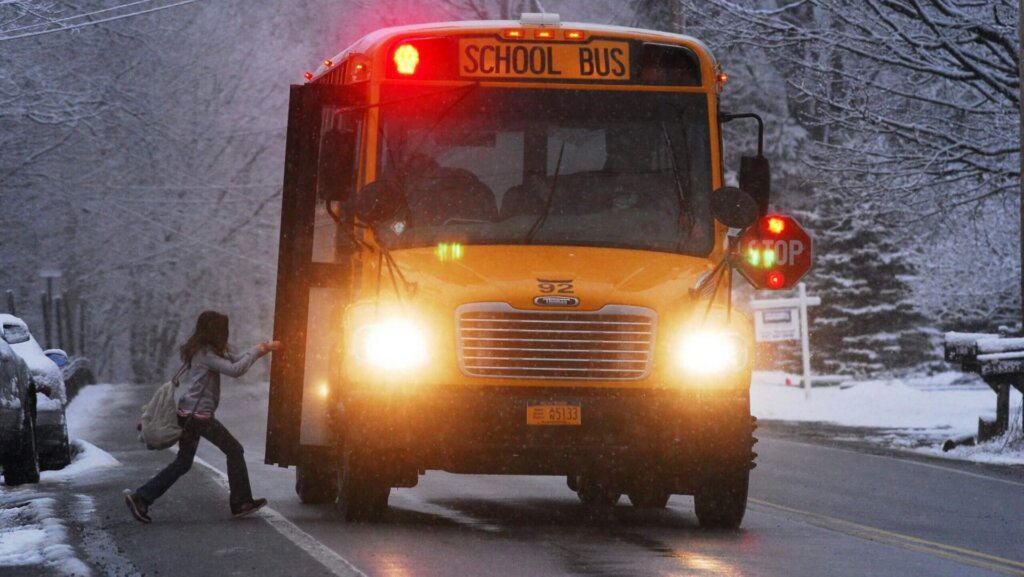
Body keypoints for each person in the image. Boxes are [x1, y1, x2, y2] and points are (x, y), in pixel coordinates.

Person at [124, 311, 282, 523]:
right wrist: (257, 351)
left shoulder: (204, 352)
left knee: (183, 463)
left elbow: (235, 359)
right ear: (215, 332)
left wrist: (261, 349)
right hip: (198, 418)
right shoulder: (206, 355)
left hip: (190, 414)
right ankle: (241, 502)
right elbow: (236, 369)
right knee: (234, 450)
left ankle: (142, 498)